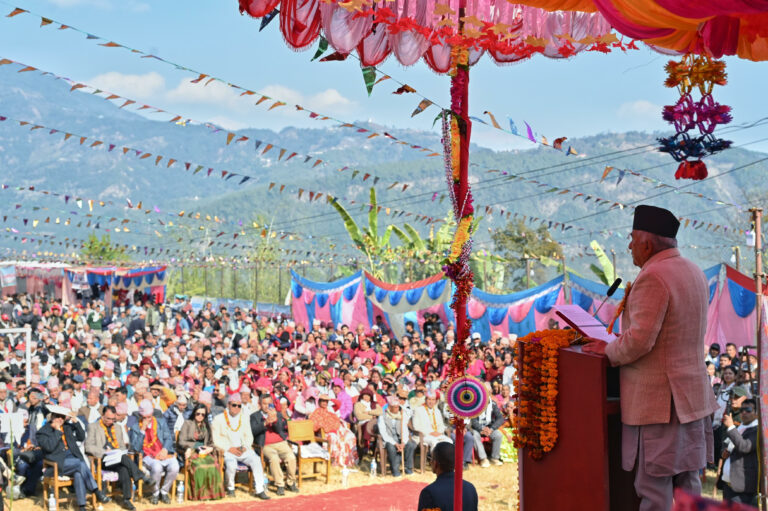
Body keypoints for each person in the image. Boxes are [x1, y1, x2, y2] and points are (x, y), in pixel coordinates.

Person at [583, 205, 718, 511]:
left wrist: (606, 350)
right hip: (691, 398)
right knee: (688, 486)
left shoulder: (654, 276)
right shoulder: (693, 271)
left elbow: (639, 341)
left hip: (661, 404)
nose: (629, 246)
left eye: (632, 239)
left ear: (646, 243)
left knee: (654, 490)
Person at [37, 405, 111, 511]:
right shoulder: (43, 431)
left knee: (79, 473)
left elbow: (81, 437)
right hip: (57, 464)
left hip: (73, 461)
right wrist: (57, 431)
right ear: (52, 416)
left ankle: (82, 507)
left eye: (63, 417)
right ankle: (96, 491)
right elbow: (49, 447)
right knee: (80, 464)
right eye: (57, 416)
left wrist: (76, 422)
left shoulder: (67, 427)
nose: (60, 419)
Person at [85, 405, 149, 511]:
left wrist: (118, 451)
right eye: (108, 418)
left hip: (116, 458)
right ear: (102, 415)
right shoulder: (93, 426)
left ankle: (127, 500)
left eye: (113, 419)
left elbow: (122, 447)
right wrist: (104, 451)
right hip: (102, 459)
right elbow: (88, 446)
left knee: (124, 468)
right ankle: (140, 476)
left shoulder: (118, 427)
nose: (111, 421)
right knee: (123, 458)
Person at [211, 393, 269, 499]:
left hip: (243, 450)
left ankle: (260, 489)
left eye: (239, 406)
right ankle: (231, 488)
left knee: (256, 460)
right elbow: (216, 439)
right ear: (228, 405)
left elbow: (249, 436)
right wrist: (229, 448)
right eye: (234, 405)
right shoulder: (218, 419)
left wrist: (244, 447)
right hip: (227, 450)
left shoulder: (244, 418)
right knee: (231, 464)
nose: (236, 408)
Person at [128, 399, 179, 505]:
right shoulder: (135, 426)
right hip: (147, 455)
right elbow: (135, 448)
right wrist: (142, 430)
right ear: (141, 416)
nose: (147, 419)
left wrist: (165, 449)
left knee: (175, 466)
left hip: (163, 452)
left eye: (149, 417)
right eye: (145, 417)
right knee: (157, 467)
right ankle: (155, 493)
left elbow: (168, 438)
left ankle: (164, 492)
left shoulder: (161, 422)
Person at [250, 393, 298, 495]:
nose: (267, 406)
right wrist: (265, 423)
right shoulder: (254, 416)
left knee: (291, 457)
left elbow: (281, 430)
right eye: (264, 404)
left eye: (269, 403)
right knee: (274, 458)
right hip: (265, 445)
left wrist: (275, 420)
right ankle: (280, 485)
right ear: (260, 404)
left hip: (280, 443)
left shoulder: (278, 414)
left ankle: (291, 482)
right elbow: (253, 431)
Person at [177, 403, 224, 501]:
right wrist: (190, 447)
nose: (200, 416)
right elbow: (181, 441)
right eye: (198, 413)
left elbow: (211, 442)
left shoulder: (207, 425)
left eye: (203, 414)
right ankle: (199, 495)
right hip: (191, 451)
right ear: (194, 413)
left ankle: (212, 494)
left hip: (204, 452)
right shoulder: (187, 424)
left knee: (214, 465)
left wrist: (210, 449)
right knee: (199, 466)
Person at [417, 442, 478, 511]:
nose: (430, 462)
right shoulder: (470, 488)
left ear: (435, 463)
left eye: (431, 458)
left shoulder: (429, 493)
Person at [720, 398, 758, 504]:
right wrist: (725, 452)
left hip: (742, 489)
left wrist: (731, 427)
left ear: (756, 413)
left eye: (748, 410)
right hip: (729, 485)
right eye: (742, 410)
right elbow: (728, 444)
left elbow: (744, 447)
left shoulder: (757, 429)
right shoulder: (740, 427)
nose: (744, 412)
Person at [309, 395, 359, 467]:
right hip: (326, 432)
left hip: (337, 429)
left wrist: (330, 398)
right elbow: (316, 424)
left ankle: (349, 461)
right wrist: (327, 427)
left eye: (326, 401)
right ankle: (335, 461)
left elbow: (339, 404)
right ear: (319, 402)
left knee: (351, 436)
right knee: (333, 437)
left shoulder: (330, 409)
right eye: (323, 401)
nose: (324, 403)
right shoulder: (316, 411)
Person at [377, 396, 416, 476]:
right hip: (388, 440)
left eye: (398, 407)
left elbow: (405, 431)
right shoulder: (382, 416)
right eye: (395, 407)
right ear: (389, 407)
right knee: (391, 447)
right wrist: (395, 444)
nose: (397, 409)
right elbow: (384, 433)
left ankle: (408, 468)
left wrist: (403, 443)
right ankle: (395, 471)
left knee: (411, 445)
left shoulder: (402, 415)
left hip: (400, 438)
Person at [469, 392, 504, 467]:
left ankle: (495, 458)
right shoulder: (474, 404)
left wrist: (491, 429)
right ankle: (483, 459)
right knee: (474, 436)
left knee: (498, 435)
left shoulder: (493, 404)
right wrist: (481, 429)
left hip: (489, 428)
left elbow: (500, 418)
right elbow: (473, 420)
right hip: (477, 428)